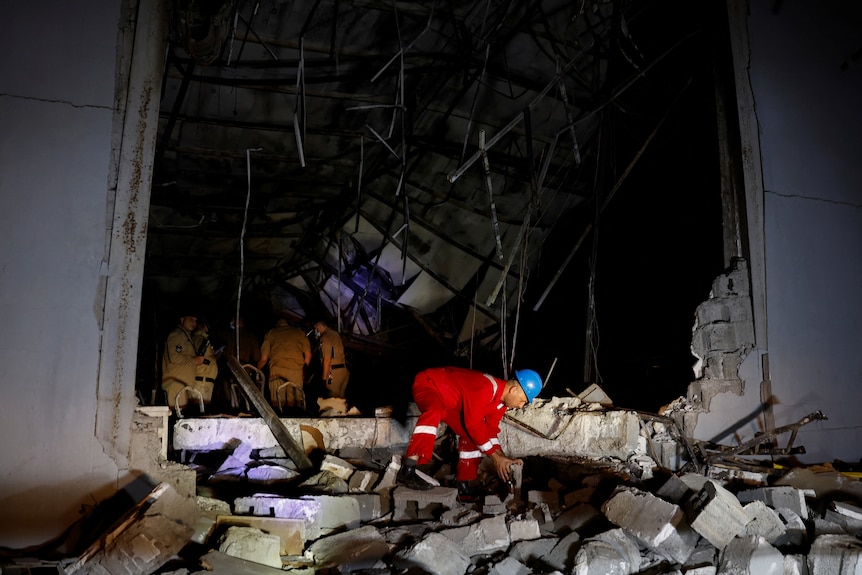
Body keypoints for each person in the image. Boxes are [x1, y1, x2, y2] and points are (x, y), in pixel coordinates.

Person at [397, 367, 543, 497]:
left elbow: (490, 432)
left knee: (471, 436)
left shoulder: (500, 405)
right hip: (430, 384)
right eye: (522, 401)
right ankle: (408, 469)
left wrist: (503, 458)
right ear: (513, 390)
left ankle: (462, 484)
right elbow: (473, 424)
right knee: (433, 411)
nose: (520, 406)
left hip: (450, 402)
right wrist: (495, 458)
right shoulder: (485, 387)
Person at [258, 318, 312, 411]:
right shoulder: (299, 333)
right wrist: (303, 371)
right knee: (295, 403)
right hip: (296, 370)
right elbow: (308, 355)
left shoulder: (271, 333)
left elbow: (264, 359)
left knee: (278, 402)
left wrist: (256, 370)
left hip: (277, 371)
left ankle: (279, 421)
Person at [161, 312, 210, 411]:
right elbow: (174, 357)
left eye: (196, 321)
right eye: (191, 319)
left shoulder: (185, 336)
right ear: (182, 319)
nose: (194, 323)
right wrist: (194, 360)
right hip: (176, 383)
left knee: (181, 416)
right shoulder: (177, 335)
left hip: (183, 384)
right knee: (177, 416)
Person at [313, 319, 350, 399]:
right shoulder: (335, 334)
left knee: (333, 402)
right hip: (343, 371)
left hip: (333, 374)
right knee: (340, 401)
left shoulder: (325, 338)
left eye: (315, 329)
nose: (315, 331)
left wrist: (324, 379)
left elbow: (327, 360)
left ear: (320, 327)